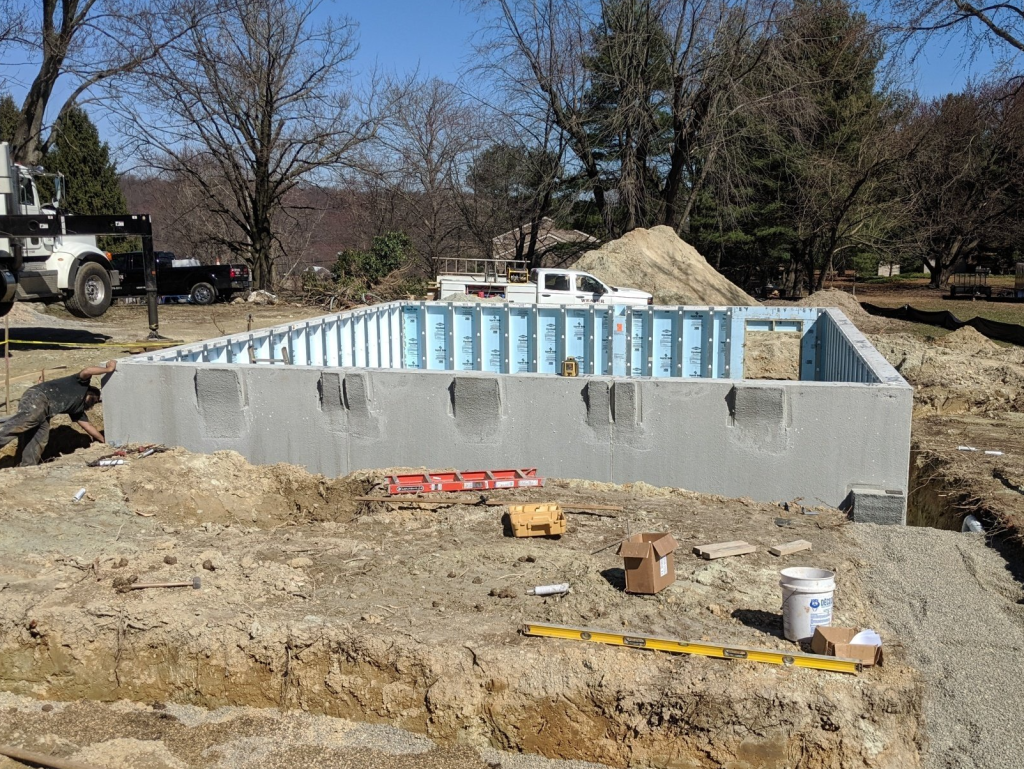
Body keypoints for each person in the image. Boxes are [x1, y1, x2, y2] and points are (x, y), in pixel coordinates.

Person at [0, 360, 116, 466]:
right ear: (90, 393)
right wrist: (108, 369)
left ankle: (26, 468)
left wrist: (104, 441)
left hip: (45, 414)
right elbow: (87, 371)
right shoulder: (80, 384)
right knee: (23, 422)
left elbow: (88, 427)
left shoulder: (77, 410)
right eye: (94, 399)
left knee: (39, 438)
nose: (93, 403)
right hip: (38, 396)